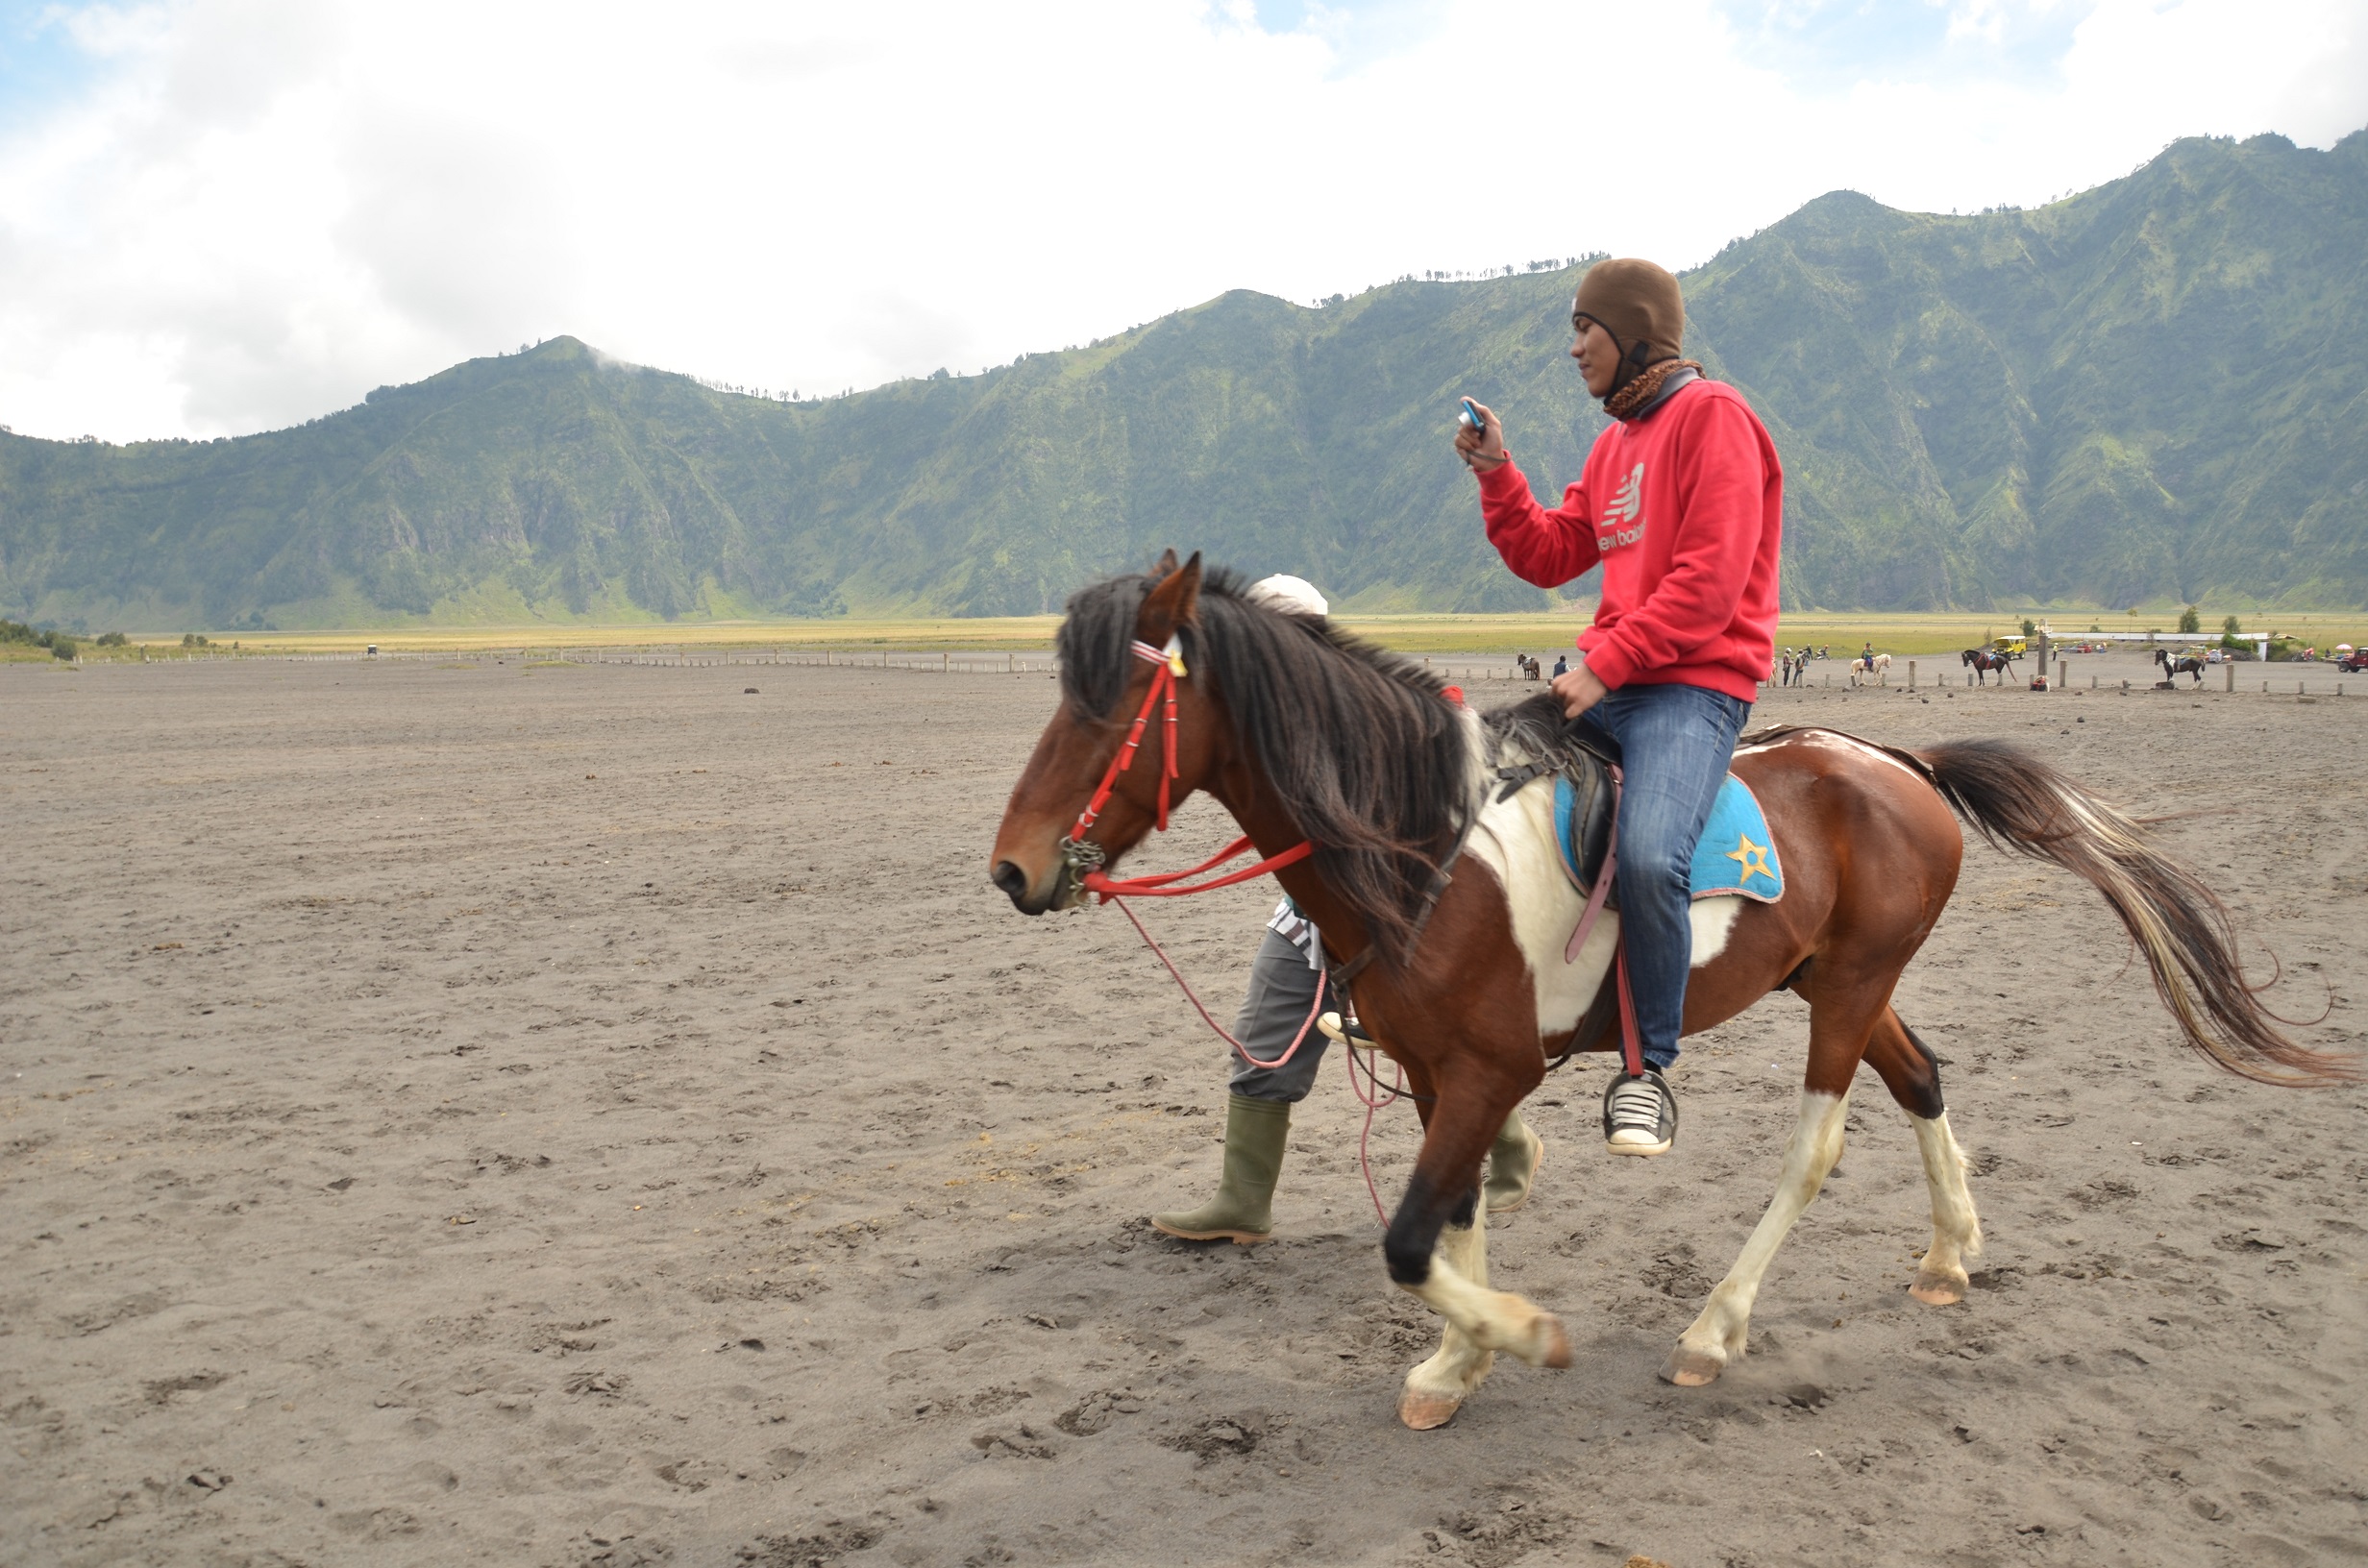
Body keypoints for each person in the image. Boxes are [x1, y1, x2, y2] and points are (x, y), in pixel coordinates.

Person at [1454, 257, 1781, 1157]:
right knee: (1462, 778)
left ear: (1633, 328)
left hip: (1694, 689)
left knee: (1647, 855)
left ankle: (1648, 1071)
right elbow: (1553, 551)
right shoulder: (1615, 444)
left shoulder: (1715, 419)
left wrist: (1608, 662)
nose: (1573, 349)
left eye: (1584, 330)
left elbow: (1711, 582)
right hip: (1617, 679)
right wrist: (1498, 473)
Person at [1152, 574, 1545, 1242]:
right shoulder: (1253, 726)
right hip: (1309, 919)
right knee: (1265, 1041)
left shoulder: (1386, 704)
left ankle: (1512, 1149)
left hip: (1404, 923)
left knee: (1442, 1052)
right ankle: (1242, 1200)